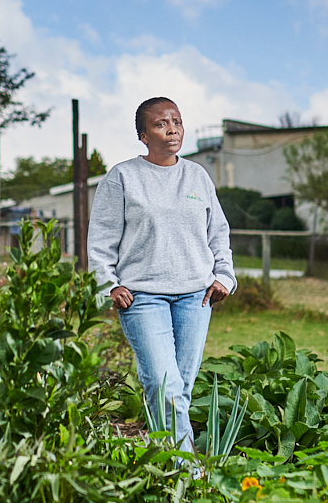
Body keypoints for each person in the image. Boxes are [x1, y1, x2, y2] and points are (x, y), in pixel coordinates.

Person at [88, 96, 236, 454]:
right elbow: (101, 239)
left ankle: (166, 465)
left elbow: (218, 232)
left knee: (179, 389)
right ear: (143, 136)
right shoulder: (122, 178)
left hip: (196, 296)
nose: (172, 129)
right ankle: (188, 470)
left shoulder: (197, 176)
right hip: (142, 297)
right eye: (160, 124)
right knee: (164, 386)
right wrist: (109, 285)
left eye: (177, 121)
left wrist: (224, 276)